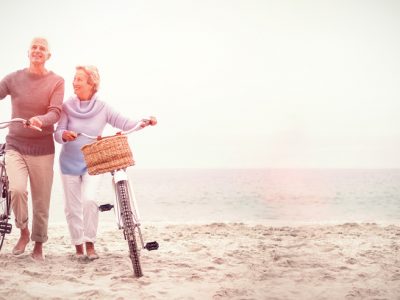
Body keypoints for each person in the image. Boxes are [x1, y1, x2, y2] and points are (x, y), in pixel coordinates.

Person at [54, 65, 156, 260]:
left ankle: (90, 243)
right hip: (68, 163)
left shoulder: (103, 107)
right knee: (71, 208)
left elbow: (125, 123)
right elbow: (57, 133)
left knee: (90, 200)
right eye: (74, 78)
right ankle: (78, 246)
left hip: (94, 162)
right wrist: (64, 135)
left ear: (91, 83)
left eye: (79, 79)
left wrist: (144, 122)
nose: (74, 82)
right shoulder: (67, 106)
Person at [0, 37, 65, 261]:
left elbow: (56, 112)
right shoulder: (13, 78)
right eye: (34, 47)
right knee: (17, 190)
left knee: (41, 200)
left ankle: (38, 244)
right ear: (27, 52)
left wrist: (41, 119)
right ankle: (23, 232)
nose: (37, 51)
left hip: (43, 148)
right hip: (15, 144)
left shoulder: (56, 81)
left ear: (48, 55)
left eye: (42, 48)